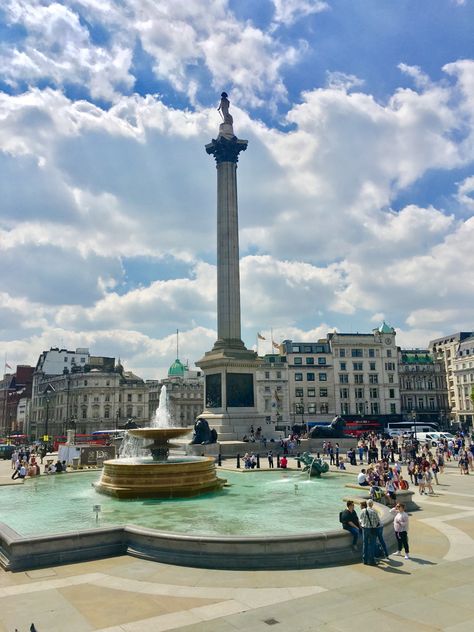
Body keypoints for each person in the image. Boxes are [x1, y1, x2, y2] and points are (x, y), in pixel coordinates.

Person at [359, 500, 380, 565]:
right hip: (372, 529)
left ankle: (364, 560)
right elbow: (378, 521)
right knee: (372, 545)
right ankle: (371, 561)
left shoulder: (363, 511)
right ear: (372, 504)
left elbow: (360, 520)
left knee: (365, 544)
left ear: (367, 504)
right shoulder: (374, 512)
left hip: (365, 529)